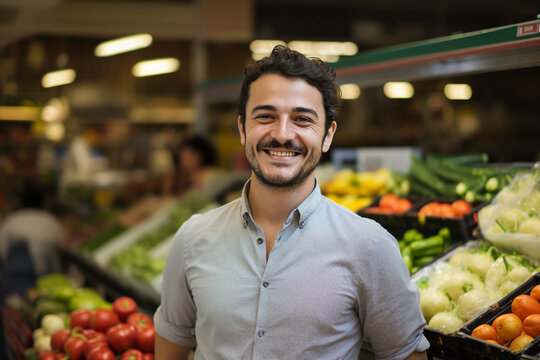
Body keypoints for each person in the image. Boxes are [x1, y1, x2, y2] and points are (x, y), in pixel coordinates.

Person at [154, 46, 429, 360]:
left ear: (327, 135)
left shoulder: (370, 247)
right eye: (266, 116)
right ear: (243, 128)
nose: (283, 134)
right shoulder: (192, 239)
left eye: (302, 119)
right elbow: (170, 351)